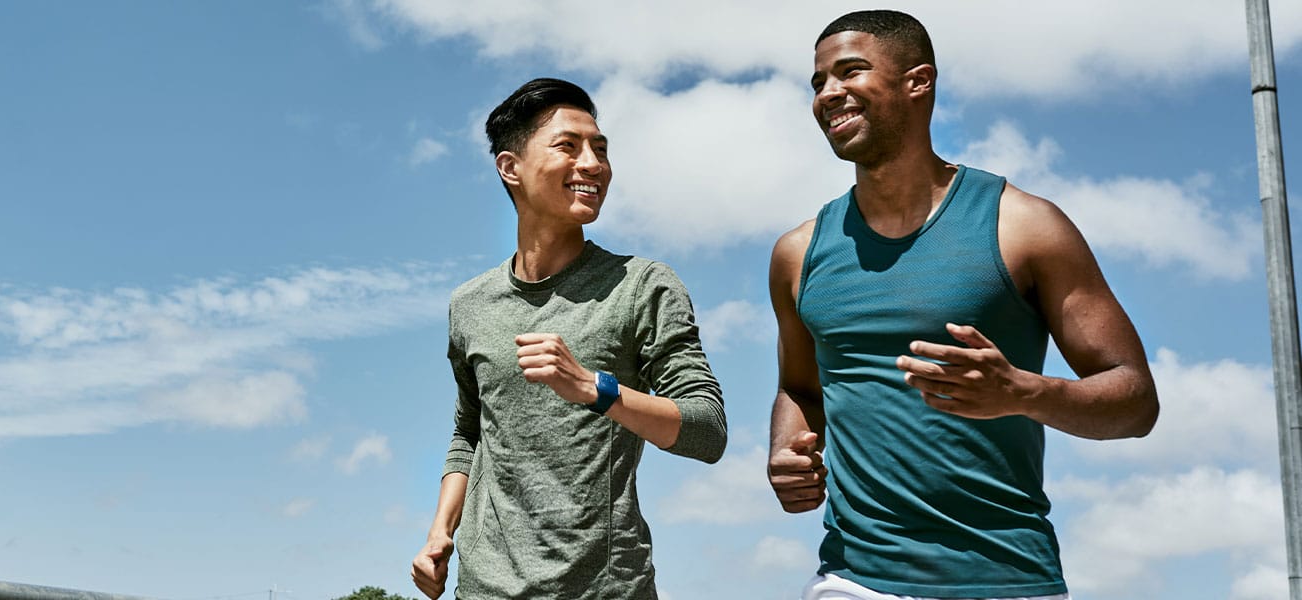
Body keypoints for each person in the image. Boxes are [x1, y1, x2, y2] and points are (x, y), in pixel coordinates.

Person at [766, 10, 1159, 600]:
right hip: (853, 579)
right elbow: (801, 387)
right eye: (818, 82)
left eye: (850, 72)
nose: (829, 94)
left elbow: (1134, 401)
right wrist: (787, 449)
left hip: (1008, 577)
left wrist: (1022, 393)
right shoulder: (798, 253)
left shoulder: (1024, 226)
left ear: (917, 82)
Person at [410, 77, 727, 600]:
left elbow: (708, 431)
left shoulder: (642, 286)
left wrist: (594, 388)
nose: (593, 164)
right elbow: (470, 433)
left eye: (600, 149)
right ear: (510, 167)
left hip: (605, 589)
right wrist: (440, 531)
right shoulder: (469, 305)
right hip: (483, 588)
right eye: (568, 146)